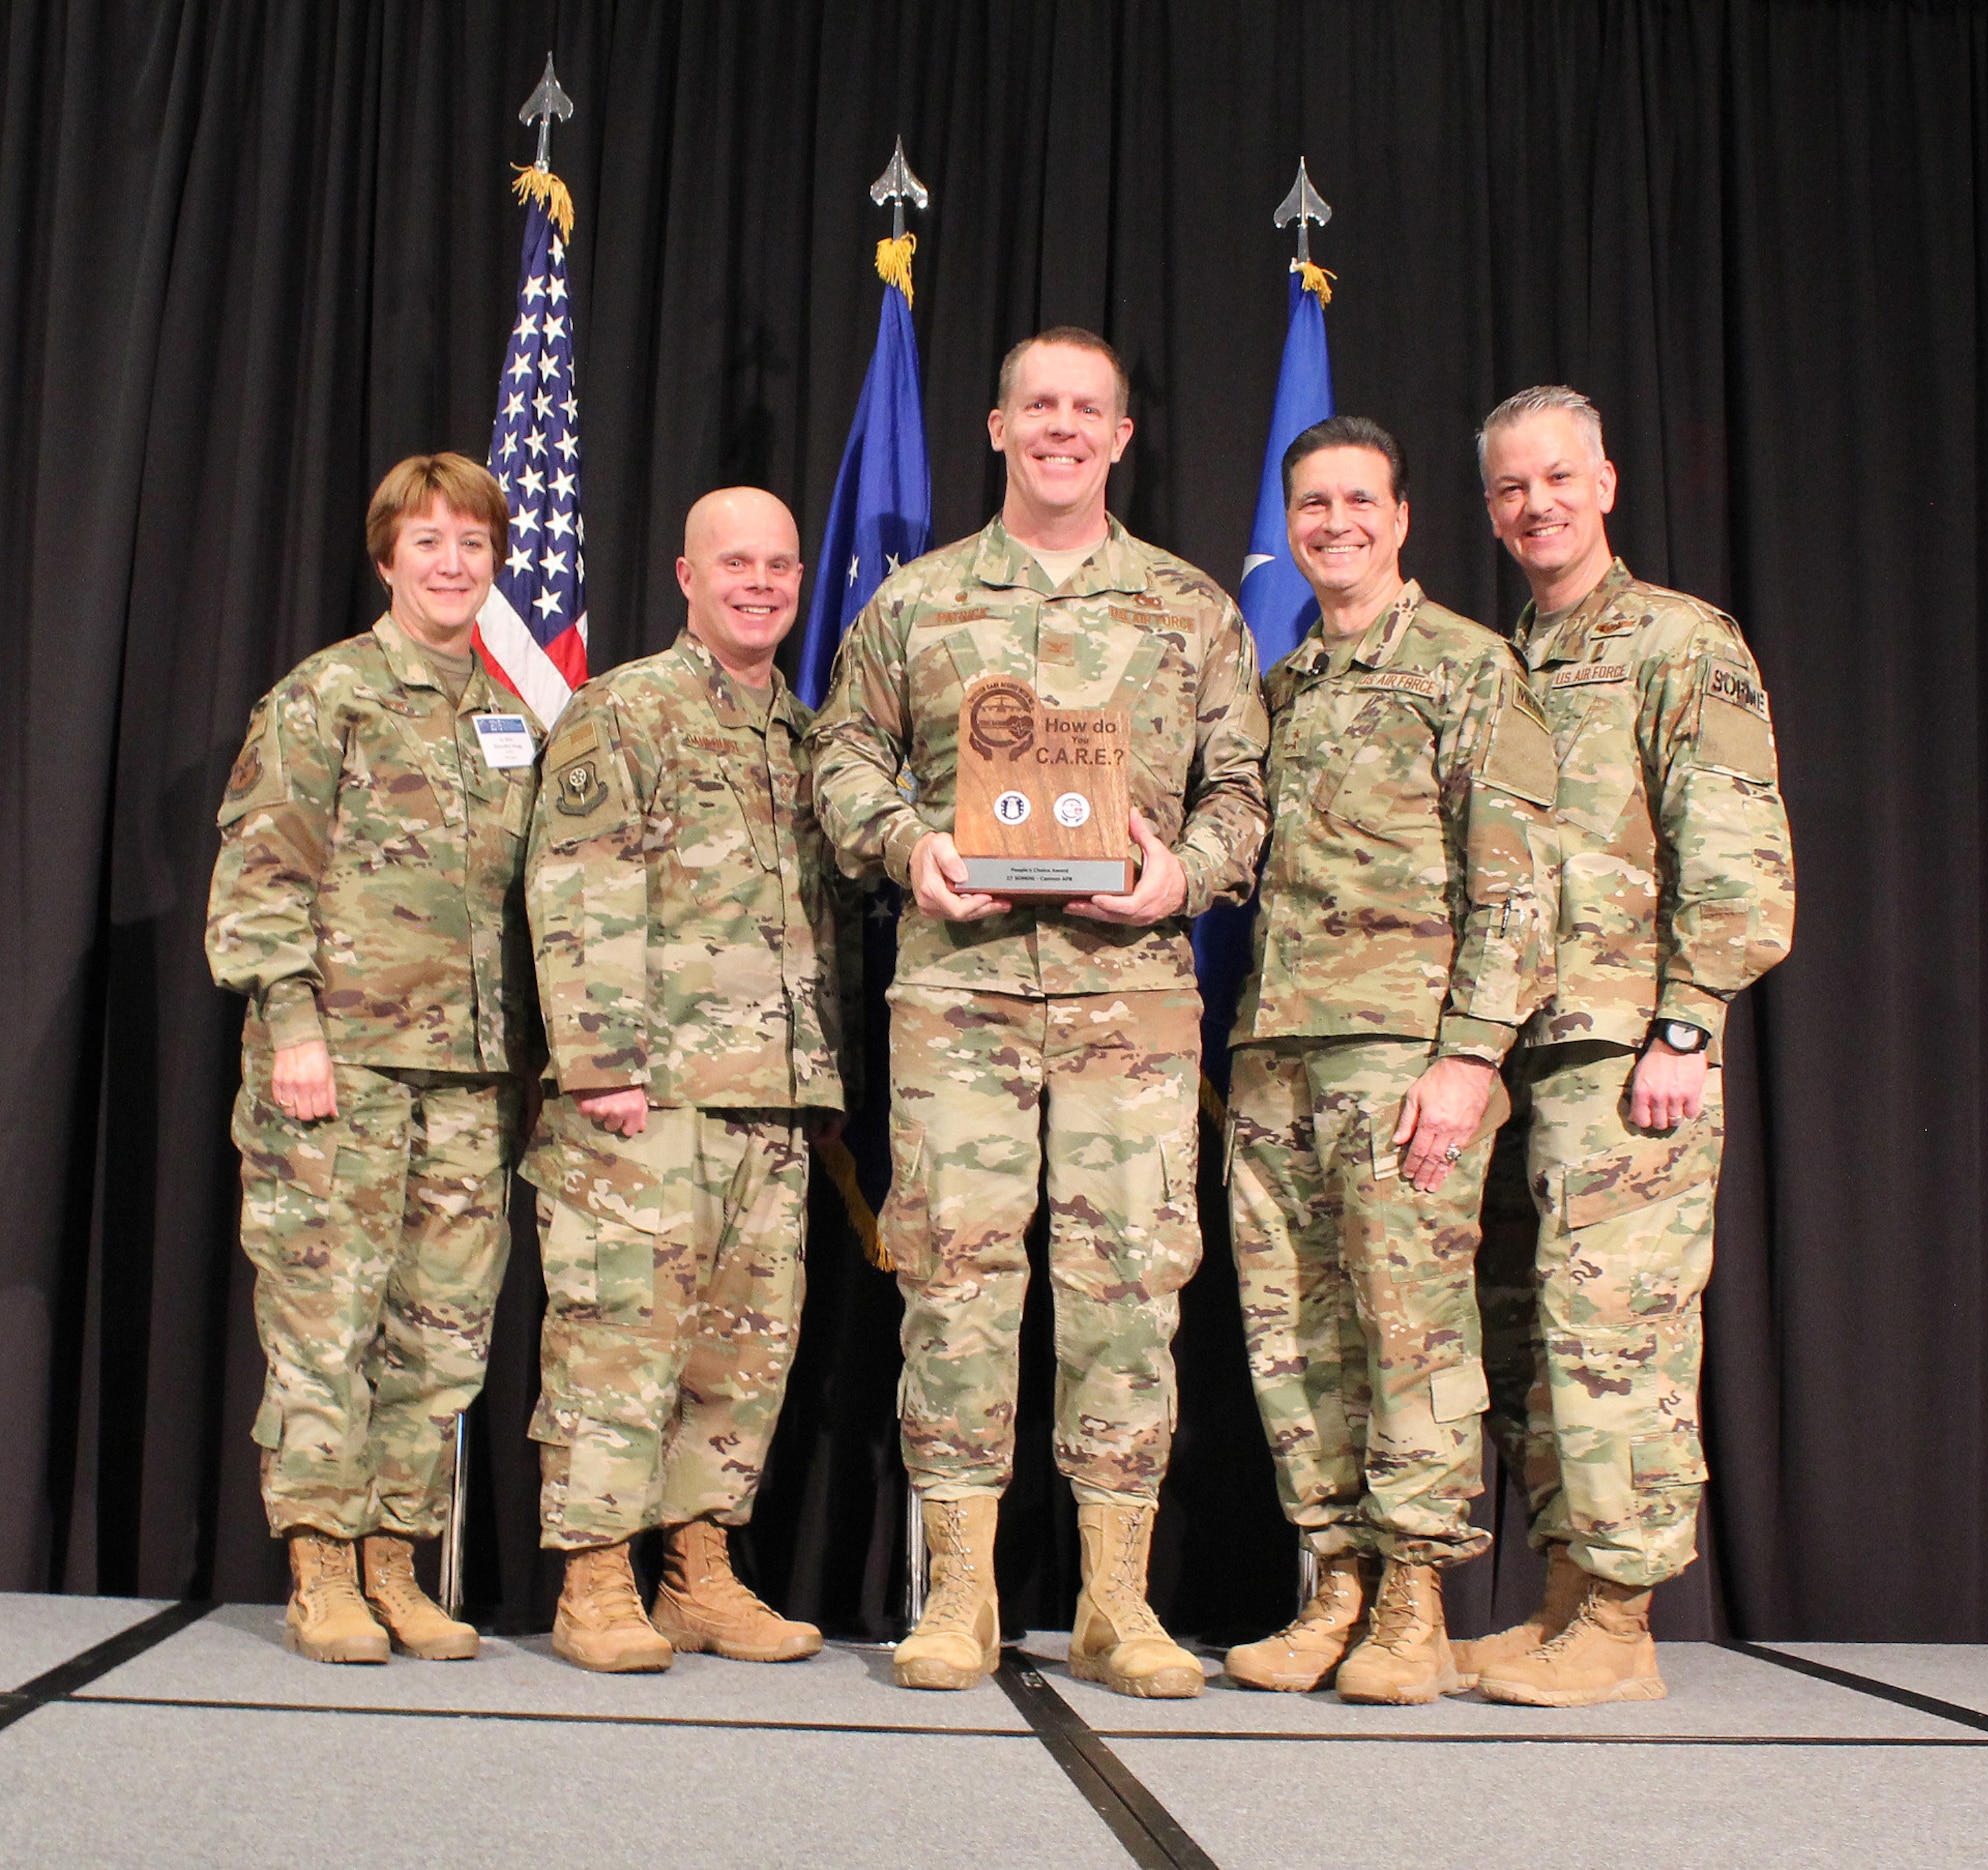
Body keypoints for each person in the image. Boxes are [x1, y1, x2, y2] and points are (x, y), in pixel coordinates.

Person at [810, 327, 1269, 1698]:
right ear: (997, 428)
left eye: (1089, 409)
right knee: (955, 1284)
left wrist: (1185, 871)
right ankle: (959, 1591)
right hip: (960, 994)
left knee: (1129, 1287)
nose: (1063, 427)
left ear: (1121, 437)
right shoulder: (916, 604)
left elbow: (1247, 793)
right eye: (1039, 406)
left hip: (1131, 1000)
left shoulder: (1194, 611)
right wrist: (908, 848)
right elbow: (841, 758)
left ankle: (1118, 1601)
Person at [1460, 386, 1795, 1705]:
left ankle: (1619, 1619)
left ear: (1605, 483)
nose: (1534, 505)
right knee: (1532, 1336)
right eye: (1508, 489)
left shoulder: (1678, 642)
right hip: (1508, 1050)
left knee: (1619, 1331)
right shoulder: (1498, 662)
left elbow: (1736, 848)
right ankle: (1561, 1603)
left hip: (1623, 1047)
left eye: (1555, 479)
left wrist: (1685, 1024)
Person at [1222, 417, 1559, 1702]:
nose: (1332, 525)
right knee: (1291, 1330)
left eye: (1357, 500)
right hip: (1275, 1054)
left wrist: (1470, 1058)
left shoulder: (1465, 669)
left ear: (1403, 516)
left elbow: (1518, 886)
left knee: (1407, 1327)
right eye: (1309, 505)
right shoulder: (1282, 688)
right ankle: (1336, 1585)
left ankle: (1414, 1596)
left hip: (1404, 1052)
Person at [207, 453, 543, 1663]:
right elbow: (259, 879)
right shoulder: (327, 697)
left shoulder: (510, 713)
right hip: (338, 1068)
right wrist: (293, 1030)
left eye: (472, 543)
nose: (453, 564)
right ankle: (320, 1569)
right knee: (325, 1324)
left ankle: (396, 1563)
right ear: (387, 556)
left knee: (443, 1334)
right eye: (429, 542)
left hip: (468, 1074)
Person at [525, 487, 849, 1674]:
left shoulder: (807, 739)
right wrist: (603, 1064)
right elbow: (577, 889)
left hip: (770, 1096)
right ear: (685, 576)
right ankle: (596, 1580)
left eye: (778, 565)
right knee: (619, 1339)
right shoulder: (627, 711)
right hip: (646, 1095)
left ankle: (697, 1571)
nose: (758, 582)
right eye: (734, 564)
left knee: (739, 1351)